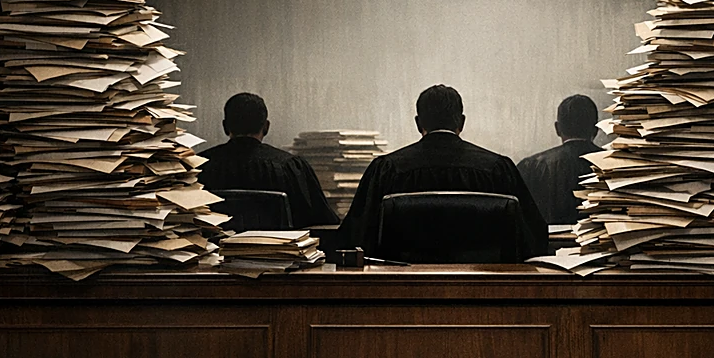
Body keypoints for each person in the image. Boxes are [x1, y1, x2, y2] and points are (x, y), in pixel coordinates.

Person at [338, 84, 548, 259]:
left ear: (418, 123)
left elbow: (355, 239)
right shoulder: (497, 168)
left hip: (403, 294)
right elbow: (533, 238)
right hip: (484, 293)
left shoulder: (386, 169)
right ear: (462, 122)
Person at [198, 93, 338, 227]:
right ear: (266, 127)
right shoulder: (291, 167)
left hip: (214, 250)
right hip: (280, 251)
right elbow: (323, 222)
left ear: (225, 126)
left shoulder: (197, 166)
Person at [517, 94, 602, 224]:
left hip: (546, 243)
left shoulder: (529, 166)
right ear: (596, 130)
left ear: (557, 128)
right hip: (600, 243)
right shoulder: (616, 166)